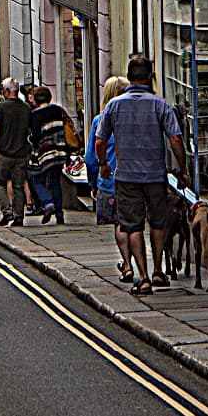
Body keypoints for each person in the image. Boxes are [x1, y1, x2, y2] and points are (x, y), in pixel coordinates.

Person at [96, 54, 188, 295]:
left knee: (132, 225)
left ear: (129, 77)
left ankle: (144, 277)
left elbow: (99, 139)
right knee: (158, 223)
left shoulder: (114, 106)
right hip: (155, 175)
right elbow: (175, 139)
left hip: (126, 177)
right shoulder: (161, 105)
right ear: (149, 76)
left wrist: (104, 164)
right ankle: (158, 270)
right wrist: (182, 169)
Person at [86, 75, 133, 283]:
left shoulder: (100, 120)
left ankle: (128, 265)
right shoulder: (132, 119)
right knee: (134, 224)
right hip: (135, 178)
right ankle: (141, 265)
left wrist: (92, 183)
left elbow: (90, 158)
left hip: (110, 181)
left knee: (119, 224)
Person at [0, 77, 32, 226]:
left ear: (7, 91)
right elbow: (29, 130)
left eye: (3, 89)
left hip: (4, 152)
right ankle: (19, 216)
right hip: (21, 153)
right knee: (18, 185)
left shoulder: (1, 108)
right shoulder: (26, 108)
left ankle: (7, 212)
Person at [27, 85, 69, 225]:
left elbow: (36, 137)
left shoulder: (35, 115)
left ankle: (47, 203)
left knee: (37, 179)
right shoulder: (57, 110)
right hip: (60, 150)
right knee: (55, 182)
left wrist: (30, 139)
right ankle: (59, 214)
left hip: (45, 153)